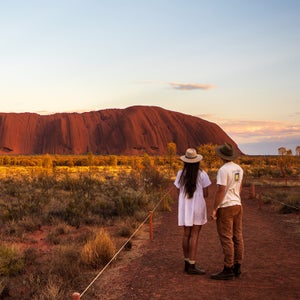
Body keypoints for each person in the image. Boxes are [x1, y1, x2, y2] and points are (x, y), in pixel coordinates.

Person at [174, 148, 211, 275]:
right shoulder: (202, 174)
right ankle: (192, 264)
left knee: (186, 234)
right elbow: (206, 193)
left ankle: (186, 262)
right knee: (195, 235)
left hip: (185, 206)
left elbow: (178, 191)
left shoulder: (180, 173)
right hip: (198, 206)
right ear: (197, 161)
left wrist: (184, 198)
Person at [211, 142, 244, 280]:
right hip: (238, 204)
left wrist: (214, 208)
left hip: (226, 206)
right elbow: (240, 187)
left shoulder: (223, 170)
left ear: (221, 156)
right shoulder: (239, 169)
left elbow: (221, 190)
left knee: (226, 237)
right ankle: (237, 266)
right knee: (237, 236)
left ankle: (228, 268)